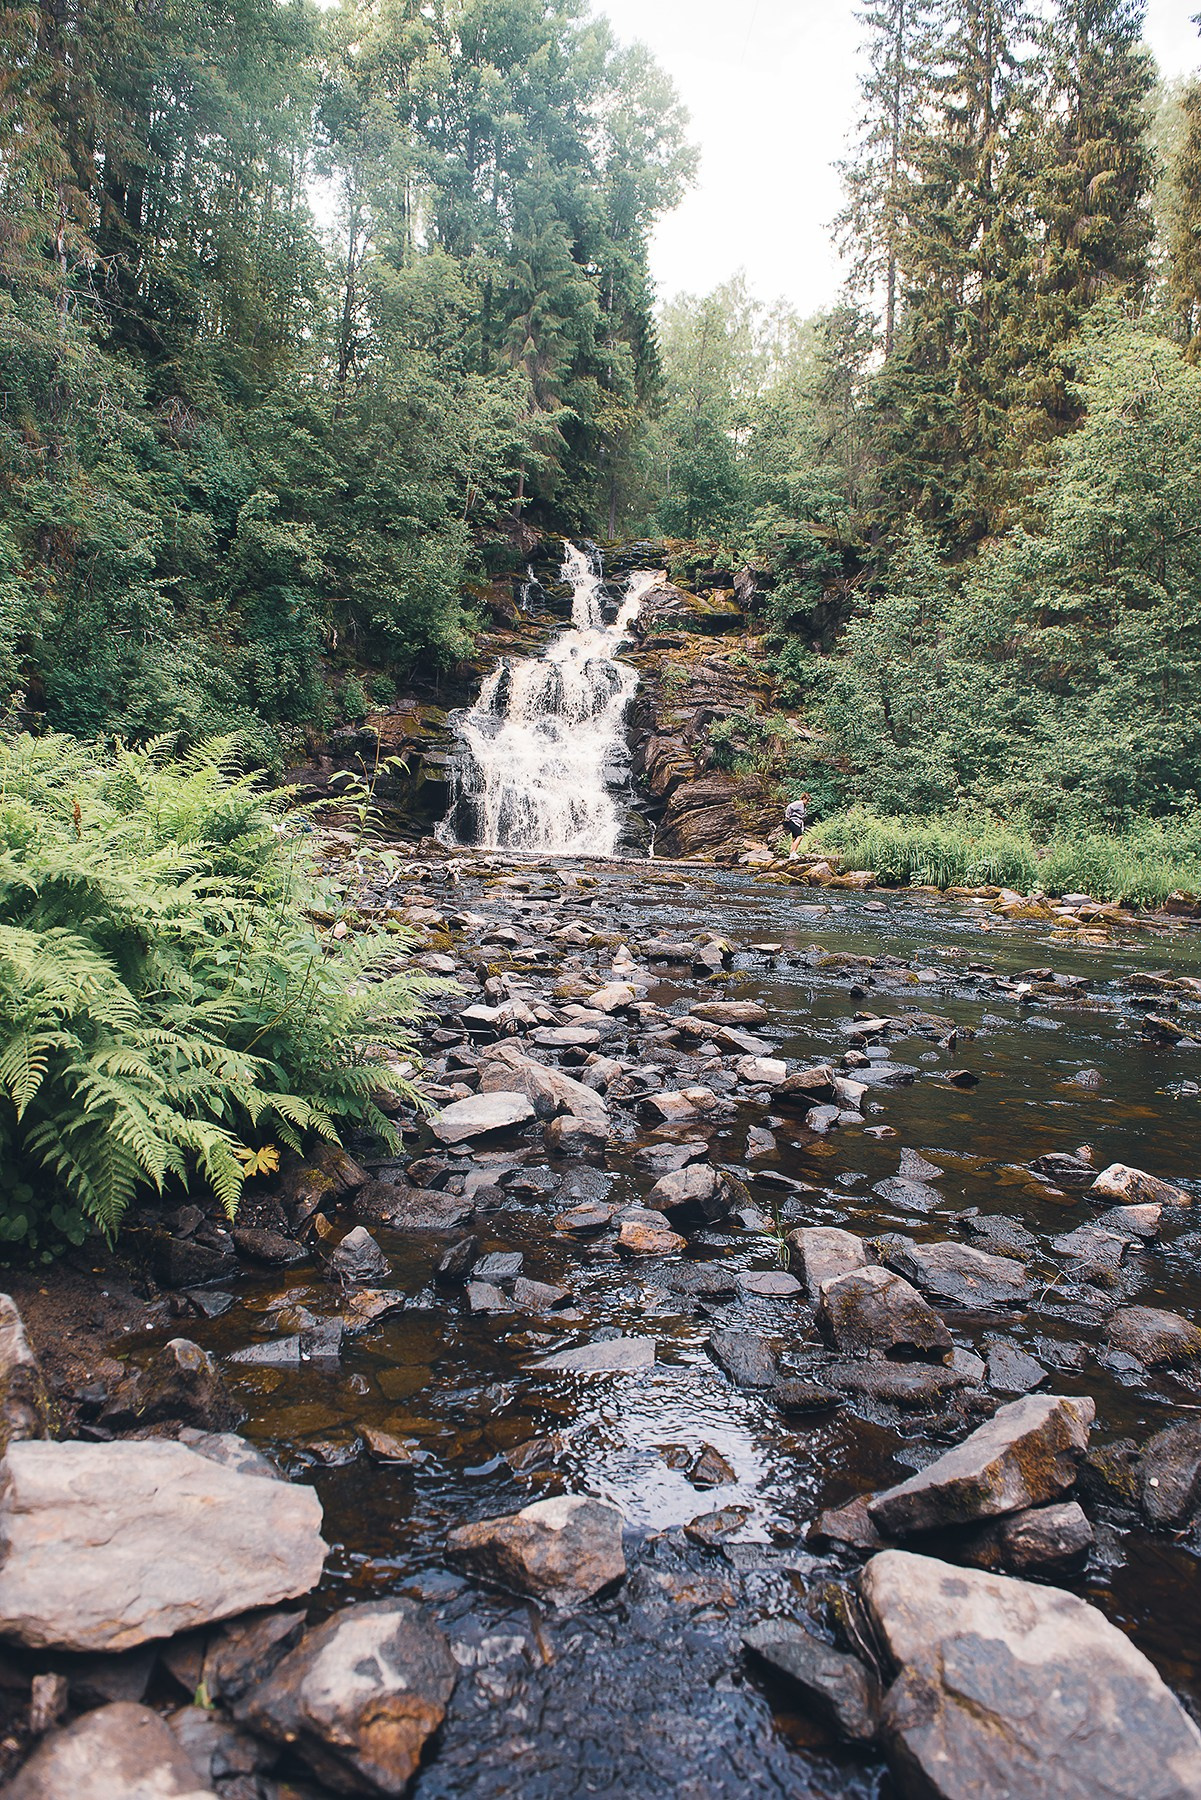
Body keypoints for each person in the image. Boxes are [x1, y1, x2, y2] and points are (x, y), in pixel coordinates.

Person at [783, 792, 811, 860]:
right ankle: (793, 853)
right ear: (804, 799)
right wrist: (787, 817)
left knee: (794, 839)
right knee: (800, 836)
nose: (808, 803)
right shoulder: (799, 803)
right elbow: (789, 806)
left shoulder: (803, 806)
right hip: (793, 822)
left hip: (797, 822)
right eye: (807, 801)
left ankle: (791, 855)